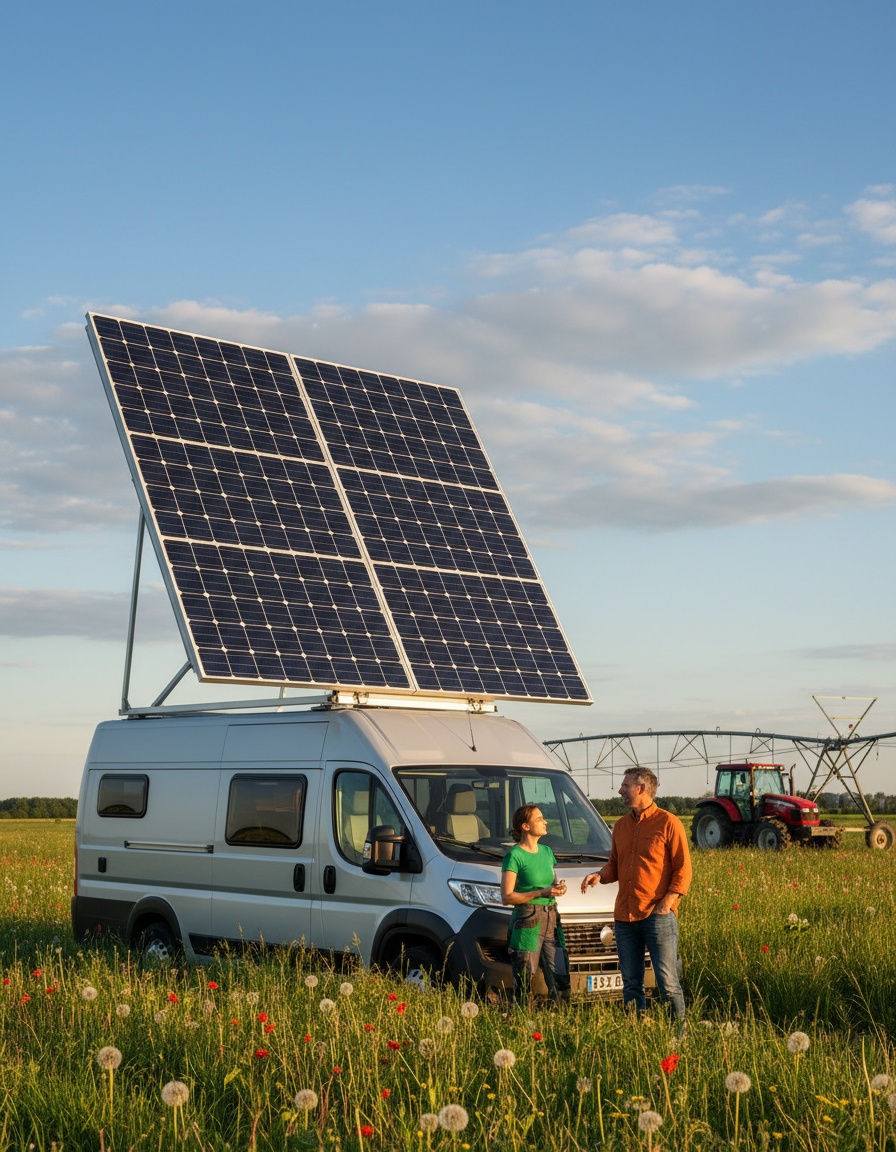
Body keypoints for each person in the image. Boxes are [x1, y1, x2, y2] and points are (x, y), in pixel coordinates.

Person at [580, 767, 691, 1027]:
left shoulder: (668, 823)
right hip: (625, 917)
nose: (620, 791)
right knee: (631, 982)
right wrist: (599, 875)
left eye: (625, 785)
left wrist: (667, 902)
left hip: (657, 916)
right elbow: (615, 866)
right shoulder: (620, 826)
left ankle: (678, 1035)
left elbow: (683, 870)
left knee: (667, 981)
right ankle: (635, 1031)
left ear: (642, 788)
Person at [501, 804, 571, 1006]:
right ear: (525, 826)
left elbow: (551, 883)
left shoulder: (547, 852)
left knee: (561, 977)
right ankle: (521, 1026)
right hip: (528, 921)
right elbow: (507, 897)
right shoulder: (514, 856)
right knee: (523, 979)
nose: (545, 822)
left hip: (551, 919)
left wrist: (559, 888)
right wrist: (540, 892)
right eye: (539, 819)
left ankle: (560, 1027)